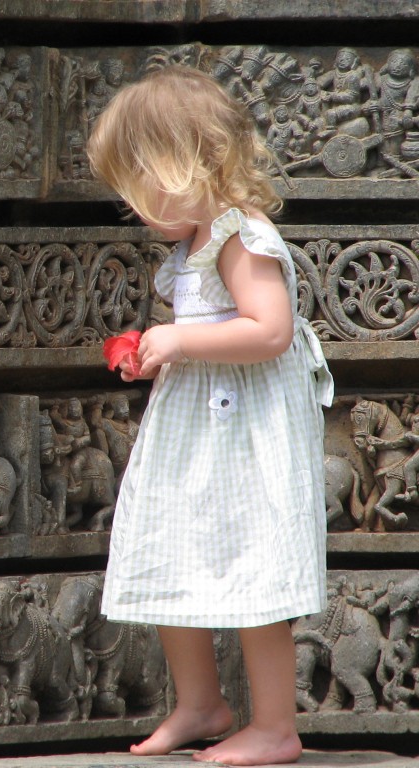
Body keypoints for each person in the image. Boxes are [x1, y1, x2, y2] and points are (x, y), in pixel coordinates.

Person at [86, 65, 334, 766]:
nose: (134, 211)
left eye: (137, 191)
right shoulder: (192, 245)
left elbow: (269, 331)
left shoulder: (239, 235)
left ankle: (276, 725)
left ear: (183, 163)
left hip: (246, 435)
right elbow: (208, 331)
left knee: (254, 567)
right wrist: (158, 353)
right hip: (200, 430)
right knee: (170, 542)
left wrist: (182, 339)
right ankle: (201, 702)